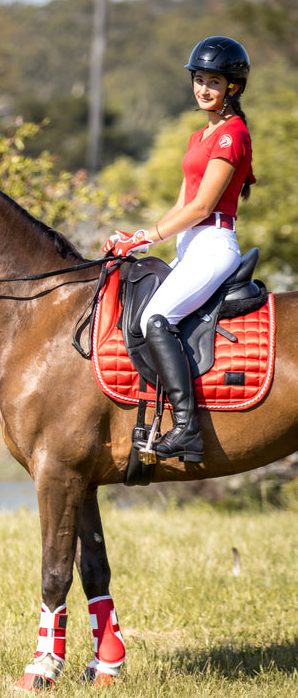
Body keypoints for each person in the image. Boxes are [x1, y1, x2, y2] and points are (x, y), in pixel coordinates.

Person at [103, 36, 256, 462]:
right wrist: (136, 235)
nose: (204, 89)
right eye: (199, 80)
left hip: (213, 243)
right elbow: (182, 204)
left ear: (233, 88)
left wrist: (145, 237)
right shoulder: (199, 135)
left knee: (157, 318)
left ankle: (187, 428)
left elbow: (204, 206)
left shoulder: (231, 136)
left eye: (214, 82)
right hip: (191, 244)